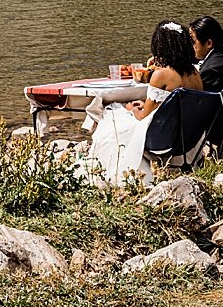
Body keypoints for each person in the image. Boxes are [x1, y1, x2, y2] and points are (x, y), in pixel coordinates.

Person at [86, 21, 204, 185]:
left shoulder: (161, 74)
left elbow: (143, 117)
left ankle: (107, 174)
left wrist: (131, 109)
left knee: (111, 118)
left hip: (162, 139)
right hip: (188, 138)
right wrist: (150, 106)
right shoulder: (195, 74)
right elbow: (173, 107)